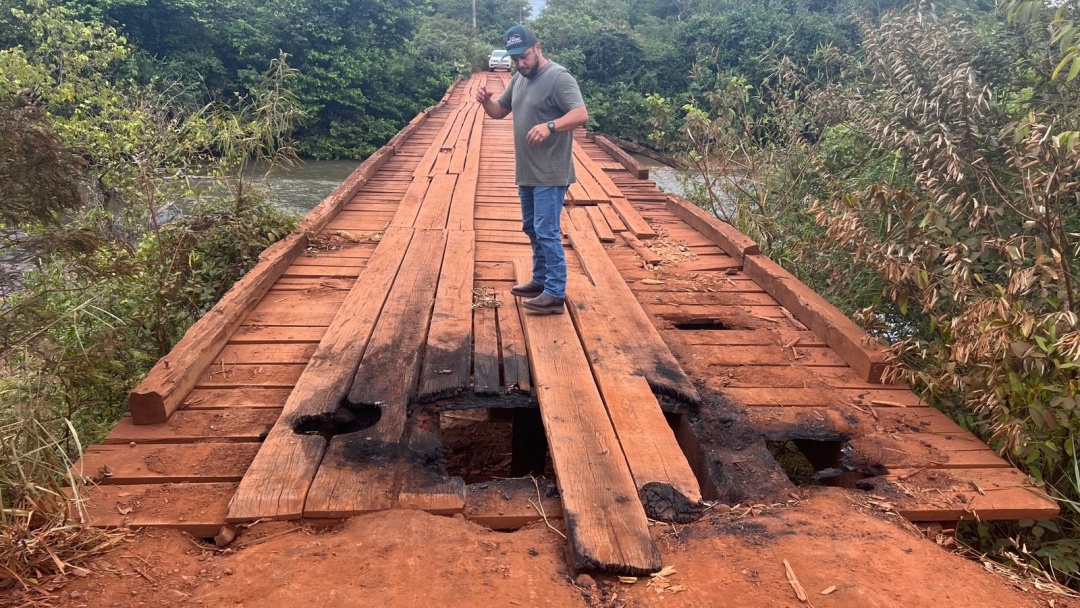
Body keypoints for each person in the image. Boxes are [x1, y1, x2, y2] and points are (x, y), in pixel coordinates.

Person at [475, 24, 588, 314]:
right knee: (531, 228)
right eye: (515, 59)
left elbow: (580, 114)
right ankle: (540, 281)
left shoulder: (558, 78)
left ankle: (555, 293)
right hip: (527, 171)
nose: (520, 63)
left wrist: (551, 126)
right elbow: (499, 112)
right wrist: (486, 100)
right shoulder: (519, 79)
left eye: (524, 56)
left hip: (551, 172)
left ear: (538, 48)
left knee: (547, 231)